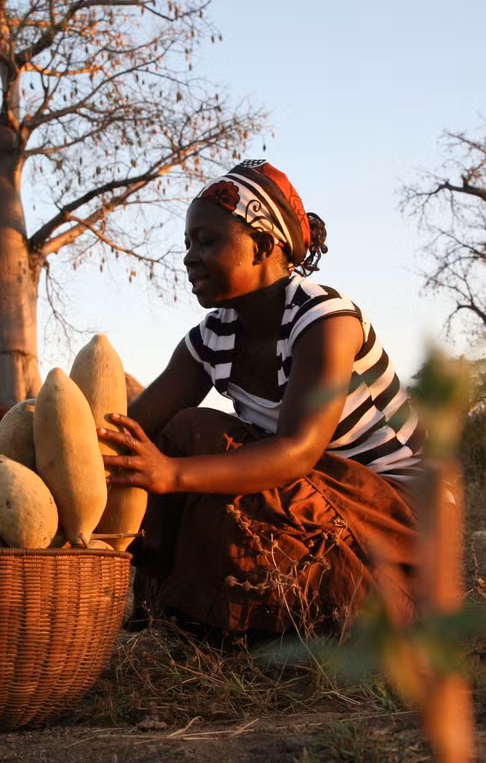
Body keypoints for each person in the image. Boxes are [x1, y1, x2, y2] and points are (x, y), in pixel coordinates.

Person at [100, 160, 422, 645]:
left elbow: (297, 451)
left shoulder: (324, 319)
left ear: (264, 246)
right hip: (310, 504)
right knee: (159, 443)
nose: (189, 258)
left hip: (391, 522)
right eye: (188, 244)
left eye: (206, 241)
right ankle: (170, 617)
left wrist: (170, 474)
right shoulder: (212, 338)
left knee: (193, 436)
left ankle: (373, 610)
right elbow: (129, 429)